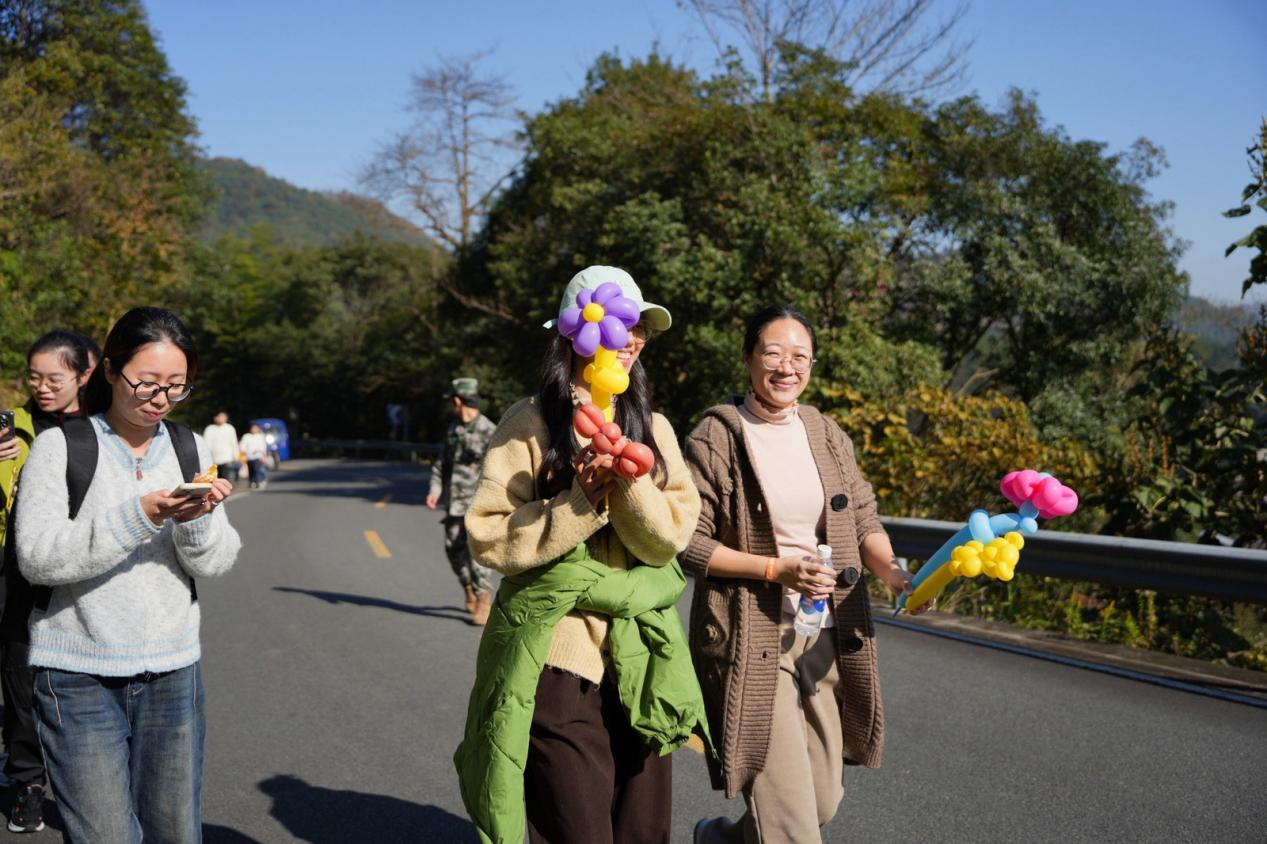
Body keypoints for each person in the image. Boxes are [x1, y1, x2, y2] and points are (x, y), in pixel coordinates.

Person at [456, 266, 705, 844]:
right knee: (576, 828)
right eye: (621, 322)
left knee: (643, 830)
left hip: (643, 652)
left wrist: (628, 484)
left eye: (639, 326)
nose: (632, 338)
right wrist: (579, 502)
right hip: (557, 654)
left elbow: (669, 540)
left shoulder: (654, 429)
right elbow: (487, 534)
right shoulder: (530, 422)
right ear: (575, 331)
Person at [684, 304, 923, 844]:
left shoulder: (826, 432)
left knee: (819, 801)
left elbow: (863, 518)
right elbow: (690, 545)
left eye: (800, 356)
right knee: (792, 826)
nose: (786, 367)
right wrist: (776, 571)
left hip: (826, 633)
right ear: (749, 358)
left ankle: (722, 840)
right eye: (773, 353)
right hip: (751, 638)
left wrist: (895, 573)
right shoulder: (715, 436)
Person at [13, 306, 241, 843]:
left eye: (177, 386)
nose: (161, 398)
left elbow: (216, 561)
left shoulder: (190, 447)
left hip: (173, 673)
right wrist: (140, 515)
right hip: (77, 677)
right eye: (147, 381)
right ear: (111, 371)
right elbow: (38, 558)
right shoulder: (60, 447)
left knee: (175, 833)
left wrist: (195, 520)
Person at [0, 331, 95, 833]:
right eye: (35, 377)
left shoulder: (103, 429)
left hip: (84, 575)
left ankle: (89, 782)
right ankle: (28, 783)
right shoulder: (12, 426)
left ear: (83, 375)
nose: (42, 387)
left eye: (54, 378)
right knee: (20, 679)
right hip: (19, 574)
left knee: (79, 684)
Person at [426, 378, 498, 624]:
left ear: (458, 401)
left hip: (479, 505)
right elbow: (442, 463)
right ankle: (468, 587)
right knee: (453, 551)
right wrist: (435, 489)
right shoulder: (453, 429)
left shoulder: (489, 430)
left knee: (477, 552)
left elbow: (499, 468)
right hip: (454, 503)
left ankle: (484, 599)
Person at [203, 410, 239, 481]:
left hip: (227, 459)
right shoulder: (209, 429)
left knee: (225, 479)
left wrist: (236, 456)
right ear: (215, 418)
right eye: (219, 416)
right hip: (213, 460)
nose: (221, 418)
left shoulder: (230, 428)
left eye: (223, 417)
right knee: (215, 480)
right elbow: (206, 445)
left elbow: (234, 443)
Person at [239, 423, 269, 489]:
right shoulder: (246, 436)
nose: (254, 430)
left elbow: (263, 447)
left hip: (258, 456)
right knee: (251, 470)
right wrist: (246, 452)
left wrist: (262, 454)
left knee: (257, 470)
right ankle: (251, 482)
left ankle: (258, 482)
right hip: (249, 457)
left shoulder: (260, 436)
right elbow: (242, 447)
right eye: (253, 428)